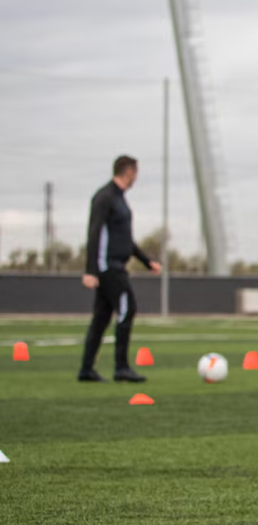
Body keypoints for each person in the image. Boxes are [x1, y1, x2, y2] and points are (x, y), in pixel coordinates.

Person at [79, 155, 160, 383]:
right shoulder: (105, 197)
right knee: (128, 308)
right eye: (136, 172)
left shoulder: (120, 199)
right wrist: (90, 270)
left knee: (102, 317)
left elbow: (125, 239)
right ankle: (121, 367)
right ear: (129, 172)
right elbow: (94, 233)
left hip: (114, 266)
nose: (137, 177)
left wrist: (146, 261)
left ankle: (86, 369)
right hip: (108, 267)